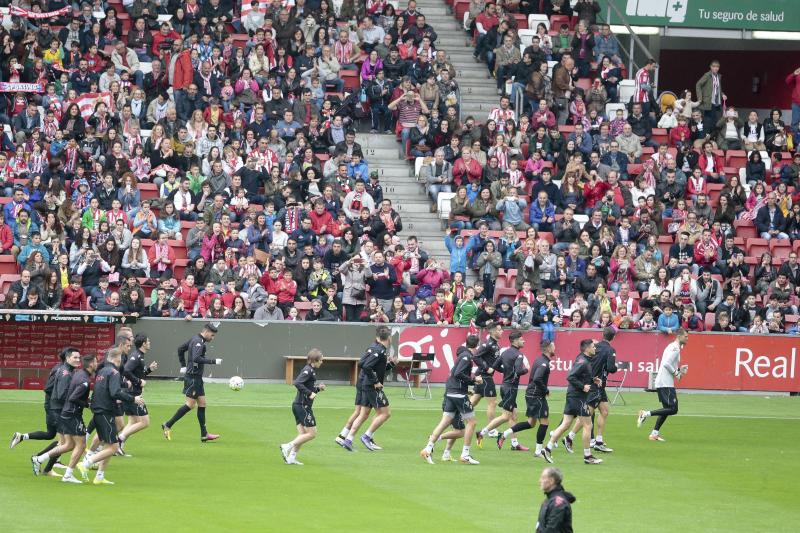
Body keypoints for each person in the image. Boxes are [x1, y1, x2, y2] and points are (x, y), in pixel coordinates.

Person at [76, 347, 143, 484]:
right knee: (113, 447)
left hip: (99, 410)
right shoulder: (113, 372)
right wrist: (133, 399)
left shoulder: (102, 371)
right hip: (106, 412)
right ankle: (86, 463)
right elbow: (115, 392)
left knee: (109, 444)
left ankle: (99, 476)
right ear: (118, 358)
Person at [11, 347, 79, 478]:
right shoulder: (61, 370)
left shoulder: (63, 369)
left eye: (78, 357)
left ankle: (24, 439)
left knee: (51, 435)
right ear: (67, 357)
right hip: (55, 408)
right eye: (74, 357)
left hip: (54, 406)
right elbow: (48, 388)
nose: (77, 359)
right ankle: (43, 462)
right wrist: (58, 398)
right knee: (63, 442)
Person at [32, 353, 97, 484]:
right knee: (81, 444)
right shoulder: (84, 381)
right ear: (91, 364)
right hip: (73, 415)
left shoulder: (78, 374)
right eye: (96, 362)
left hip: (66, 414)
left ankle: (39, 459)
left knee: (68, 445)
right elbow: (73, 397)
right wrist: (87, 404)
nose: (97, 364)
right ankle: (68, 475)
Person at [419, 335, 482, 465]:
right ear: (477, 346)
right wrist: (474, 379)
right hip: (458, 395)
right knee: (472, 422)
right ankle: (465, 454)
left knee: (445, 422)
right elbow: (458, 373)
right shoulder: (466, 357)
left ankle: (428, 448)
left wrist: (465, 389)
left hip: (451, 393)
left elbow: (455, 375)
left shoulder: (462, 356)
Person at [335, 326, 396, 451]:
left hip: (365, 383)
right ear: (389, 338)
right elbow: (367, 366)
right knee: (385, 413)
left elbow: (362, 363)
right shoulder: (380, 350)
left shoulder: (374, 348)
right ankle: (366, 436)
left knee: (364, 413)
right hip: (371, 385)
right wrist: (376, 381)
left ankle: (348, 439)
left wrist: (390, 365)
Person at [543, 339, 603, 465]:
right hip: (578, 397)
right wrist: (583, 387)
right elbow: (571, 377)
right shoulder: (583, 361)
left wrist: (593, 380)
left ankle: (547, 448)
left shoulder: (583, 359)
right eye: (593, 347)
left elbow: (582, 376)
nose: (595, 349)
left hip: (572, 396)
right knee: (588, 425)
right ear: (587, 349)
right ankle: (588, 456)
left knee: (565, 424)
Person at [162, 323, 223, 442]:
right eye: (212, 335)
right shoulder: (198, 342)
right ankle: (168, 424)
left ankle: (204, 434)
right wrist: (213, 361)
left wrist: (183, 366)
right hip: (193, 378)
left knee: (202, 404)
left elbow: (180, 349)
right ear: (206, 332)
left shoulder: (194, 339)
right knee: (190, 405)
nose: (213, 338)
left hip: (196, 378)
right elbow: (196, 358)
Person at [498, 340, 554, 460]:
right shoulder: (544, 363)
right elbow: (537, 378)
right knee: (544, 422)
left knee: (531, 423)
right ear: (549, 348)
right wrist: (546, 390)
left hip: (531, 394)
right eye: (553, 346)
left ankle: (505, 434)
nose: (555, 348)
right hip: (536, 396)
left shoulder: (540, 360)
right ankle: (539, 451)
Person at [565, 327, 617, 453]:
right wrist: (615, 367)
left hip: (596, 384)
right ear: (613, 337)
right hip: (595, 385)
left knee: (604, 411)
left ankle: (598, 441)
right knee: (586, 414)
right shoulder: (610, 350)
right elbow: (611, 368)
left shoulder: (594, 346)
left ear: (602, 334)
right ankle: (569, 437)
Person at [475, 331, 528, 449]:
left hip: (504, 386)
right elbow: (519, 371)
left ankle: (515, 444)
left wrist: (507, 371)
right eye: (521, 339)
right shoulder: (519, 355)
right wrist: (526, 370)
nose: (524, 341)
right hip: (511, 388)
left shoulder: (504, 353)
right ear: (515, 341)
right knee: (505, 416)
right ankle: (482, 432)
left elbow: (494, 366)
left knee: (514, 416)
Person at [637, 329, 690, 442]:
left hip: (664, 381)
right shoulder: (675, 348)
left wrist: (679, 370)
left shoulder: (672, 346)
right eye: (686, 336)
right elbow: (666, 364)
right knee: (673, 409)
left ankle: (654, 434)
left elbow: (667, 364)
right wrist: (677, 373)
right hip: (665, 383)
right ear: (679, 336)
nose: (687, 338)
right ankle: (645, 413)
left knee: (667, 409)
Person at [280, 349, 326, 466]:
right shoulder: (308, 370)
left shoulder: (312, 371)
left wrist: (317, 389)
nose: (322, 362)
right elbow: (298, 383)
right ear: (315, 360)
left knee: (302, 435)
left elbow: (307, 388)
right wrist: (309, 393)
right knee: (312, 433)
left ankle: (291, 458)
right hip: (302, 406)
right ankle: (287, 446)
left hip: (298, 406)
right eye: (321, 360)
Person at [119, 334, 158, 446]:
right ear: (143, 344)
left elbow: (138, 374)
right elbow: (126, 370)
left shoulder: (139, 356)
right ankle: (119, 439)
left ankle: (118, 447)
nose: (150, 343)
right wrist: (138, 382)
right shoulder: (136, 356)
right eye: (148, 341)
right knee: (145, 422)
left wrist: (149, 370)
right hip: (133, 394)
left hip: (130, 393)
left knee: (133, 421)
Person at [469, 322, 502, 434]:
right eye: (499, 329)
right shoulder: (487, 344)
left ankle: (456, 415)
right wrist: (487, 368)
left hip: (482, 376)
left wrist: (504, 370)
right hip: (485, 376)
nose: (501, 331)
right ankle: (491, 430)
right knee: (492, 403)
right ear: (493, 332)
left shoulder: (495, 344)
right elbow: (475, 357)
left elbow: (495, 363)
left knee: (474, 400)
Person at [536, 467, 576, 533]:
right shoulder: (547, 501)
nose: (540, 481)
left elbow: (551, 530)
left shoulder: (558, 504)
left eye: (543, 478)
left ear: (551, 481)